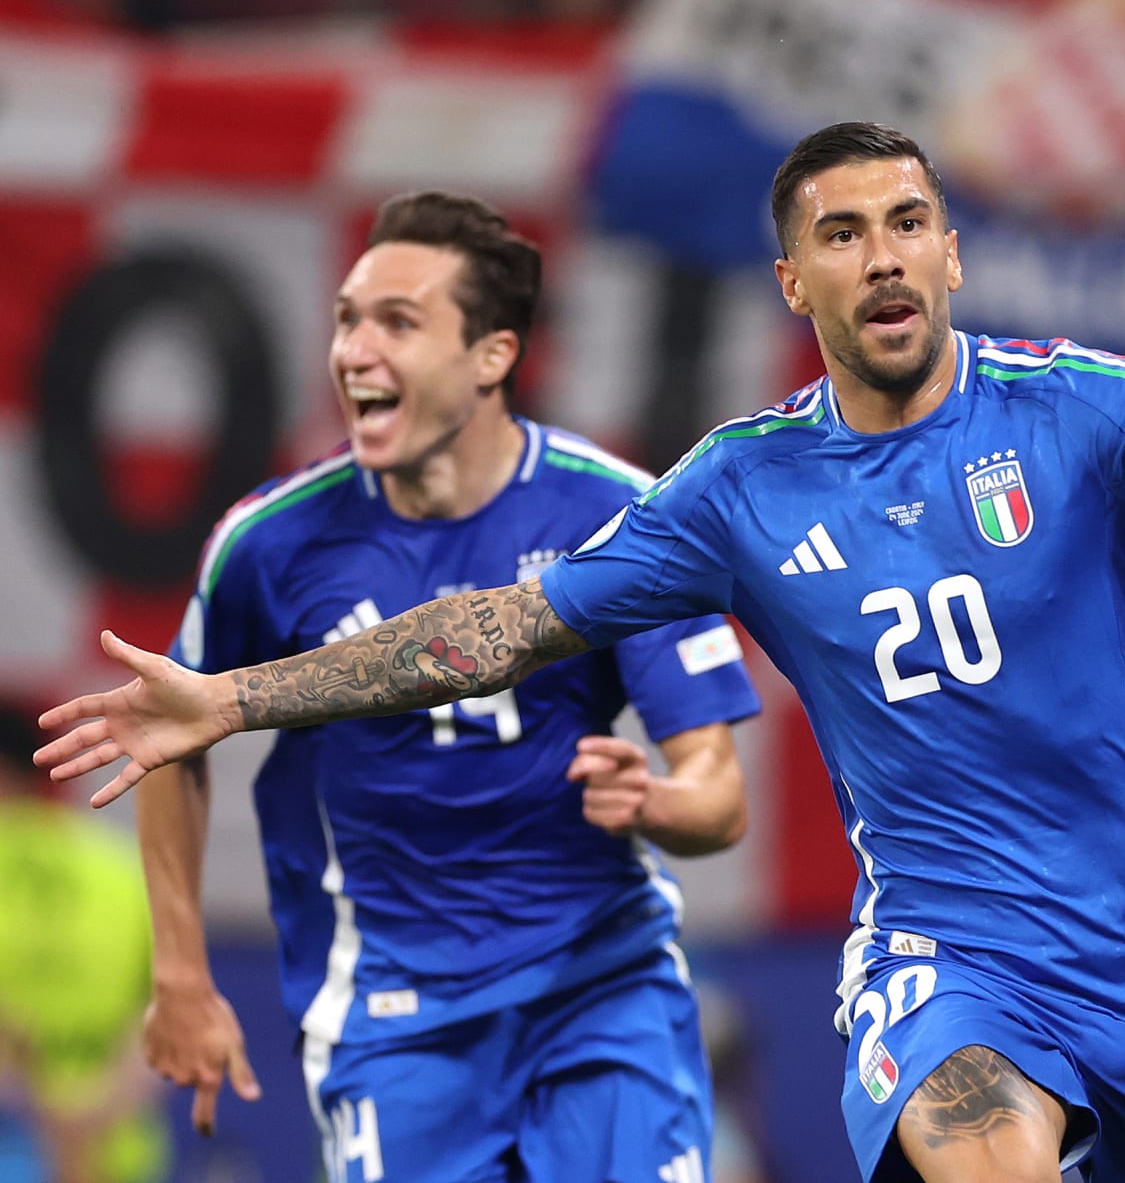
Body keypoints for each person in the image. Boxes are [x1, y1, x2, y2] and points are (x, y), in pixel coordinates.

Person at [35, 124, 1125, 1183]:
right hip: (947, 950)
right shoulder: (737, 487)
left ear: (949, 247)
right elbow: (498, 623)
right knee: (969, 1133)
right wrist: (245, 694)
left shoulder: (1086, 413)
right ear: (795, 278)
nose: (884, 255)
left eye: (907, 222)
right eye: (842, 232)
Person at [125, 192, 762, 1182]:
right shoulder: (269, 542)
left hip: (601, 986)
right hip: (392, 1011)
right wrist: (180, 972)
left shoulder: (622, 518)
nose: (353, 351)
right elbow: (176, 737)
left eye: (398, 322)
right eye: (346, 319)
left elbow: (717, 789)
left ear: (491, 356)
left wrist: (663, 803)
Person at [0, 706, 171, 1183]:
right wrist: (88, 1120)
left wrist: (44, 1117)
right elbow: (171, 1018)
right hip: (116, 1156)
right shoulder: (120, 865)